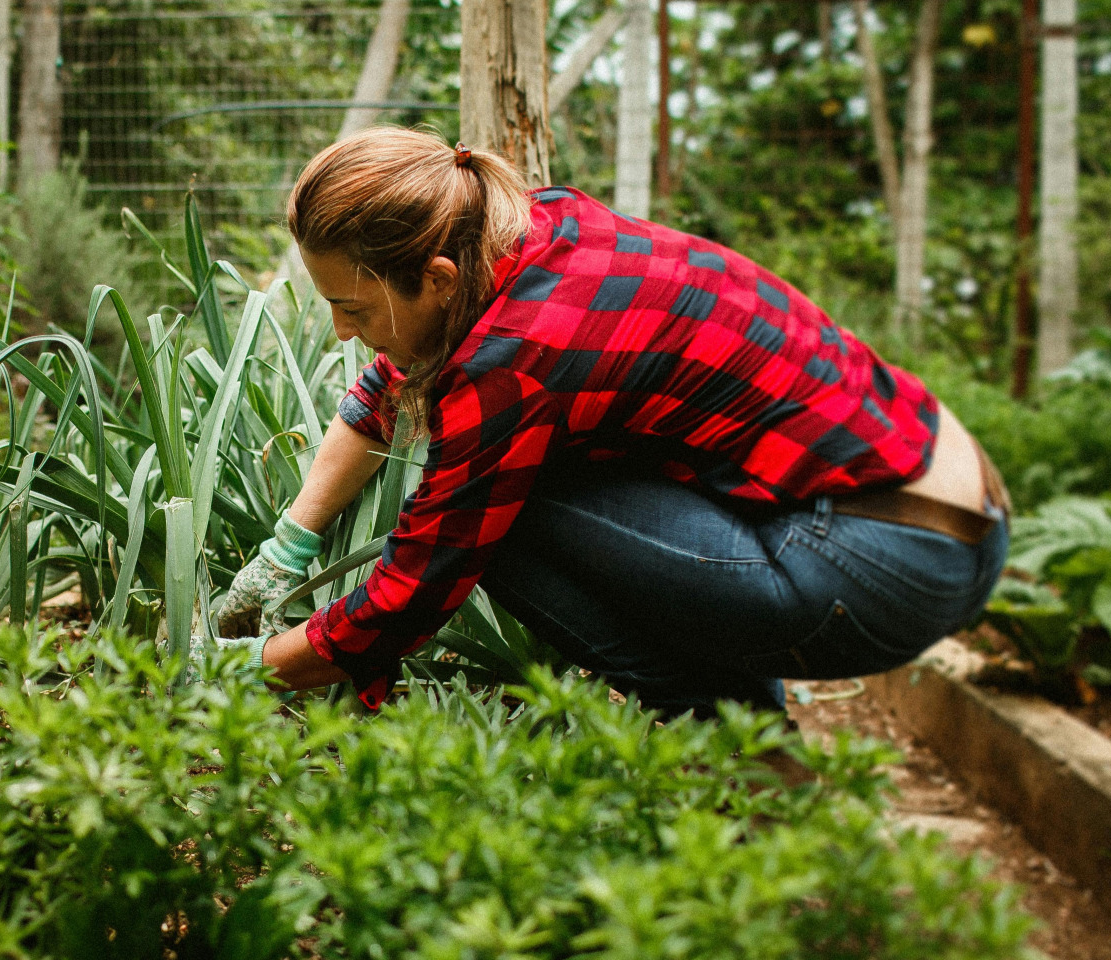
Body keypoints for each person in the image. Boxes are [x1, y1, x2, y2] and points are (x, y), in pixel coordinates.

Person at [209, 128, 1009, 721]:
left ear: (438, 277)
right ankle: (755, 761)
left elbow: (414, 589)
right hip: (949, 512)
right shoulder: (526, 233)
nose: (345, 333)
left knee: (503, 519)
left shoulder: (513, 362)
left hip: (885, 564)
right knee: (528, 487)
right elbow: (393, 380)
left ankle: (722, 735)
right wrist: (290, 546)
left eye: (353, 309)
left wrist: (240, 673)